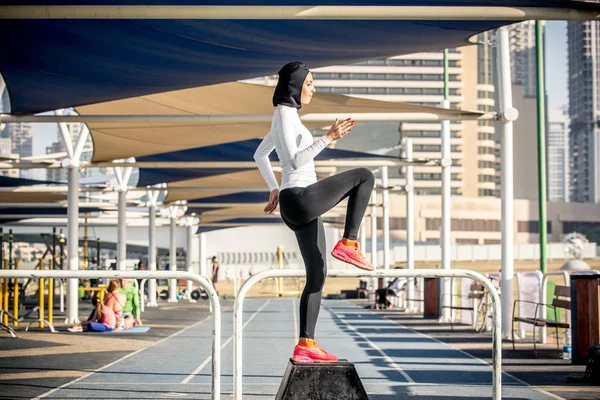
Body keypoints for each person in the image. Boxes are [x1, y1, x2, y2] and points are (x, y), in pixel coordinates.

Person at [253, 61, 375, 364]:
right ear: (295, 86)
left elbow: (260, 154)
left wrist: (273, 187)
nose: (313, 88)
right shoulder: (284, 116)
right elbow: (294, 163)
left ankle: (306, 343)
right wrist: (328, 138)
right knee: (364, 176)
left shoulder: (285, 117)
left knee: (318, 273)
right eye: (310, 83)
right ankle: (349, 242)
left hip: (295, 203)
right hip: (300, 197)